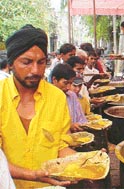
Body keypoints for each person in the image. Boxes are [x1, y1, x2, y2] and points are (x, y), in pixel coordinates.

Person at [0, 24, 76, 188]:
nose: (35, 70)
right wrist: (33, 175)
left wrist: (84, 162)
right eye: (26, 62)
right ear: (11, 64)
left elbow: (60, 146)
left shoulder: (57, 97)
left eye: (41, 62)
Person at [51, 63, 87, 133]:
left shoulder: (72, 96)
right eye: (65, 83)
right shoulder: (45, 98)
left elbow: (82, 119)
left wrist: (78, 125)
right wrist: (69, 126)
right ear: (54, 80)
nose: (68, 87)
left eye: (70, 83)